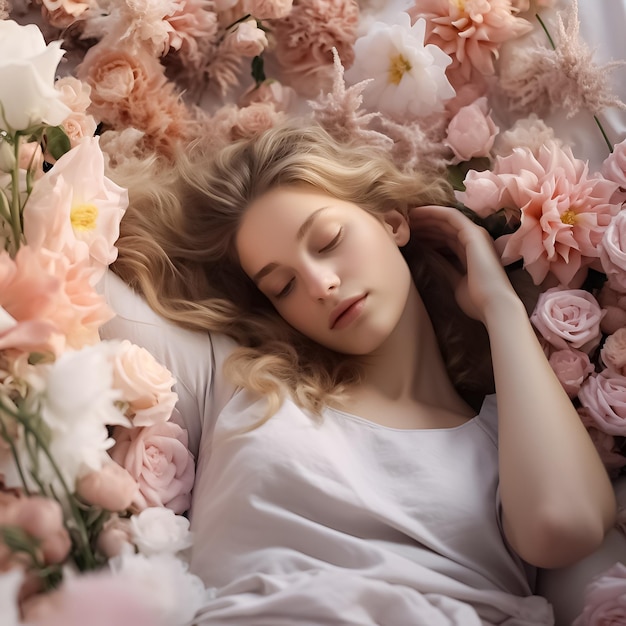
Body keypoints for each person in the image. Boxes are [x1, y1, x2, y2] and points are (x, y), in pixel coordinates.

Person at [101, 122, 616, 625]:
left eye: (327, 241)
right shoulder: (242, 379)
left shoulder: (513, 439)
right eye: (282, 286)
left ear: (391, 220)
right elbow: (78, 271)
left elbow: (562, 527)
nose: (320, 285)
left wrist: (500, 306)